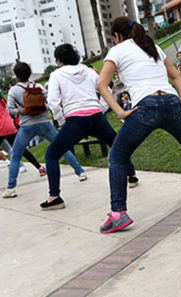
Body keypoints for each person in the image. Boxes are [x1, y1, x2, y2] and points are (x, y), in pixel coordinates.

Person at [96, 17, 181, 234]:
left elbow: (101, 84)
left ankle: (118, 213)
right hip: (171, 102)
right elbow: (176, 75)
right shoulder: (153, 47)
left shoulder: (117, 50)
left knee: (118, 156)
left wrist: (120, 111)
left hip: (146, 106)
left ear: (117, 36)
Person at [43, 43, 139, 210]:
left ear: (59, 60)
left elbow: (53, 102)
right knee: (117, 144)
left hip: (75, 120)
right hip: (96, 116)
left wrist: (62, 120)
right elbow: (106, 89)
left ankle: (54, 197)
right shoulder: (88, 71)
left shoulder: (56, 75)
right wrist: (101, 109)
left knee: (51, 155)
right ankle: (132, 175)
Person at [3, 62, 87, 199]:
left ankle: (11, 187)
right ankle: (80, 171)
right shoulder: (39, 87)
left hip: (26, 126)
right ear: (29, 73)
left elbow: (10, 110)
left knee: (16, 156)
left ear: (16, 75)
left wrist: (23, 111)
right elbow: (49, 103)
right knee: (62, 148)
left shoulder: (14, 90)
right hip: (45, 123)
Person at [0, 96, 46, 179]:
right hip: (9, 127)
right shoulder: (2, 99)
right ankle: (40, 168)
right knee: (22, 149)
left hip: (1, 128)